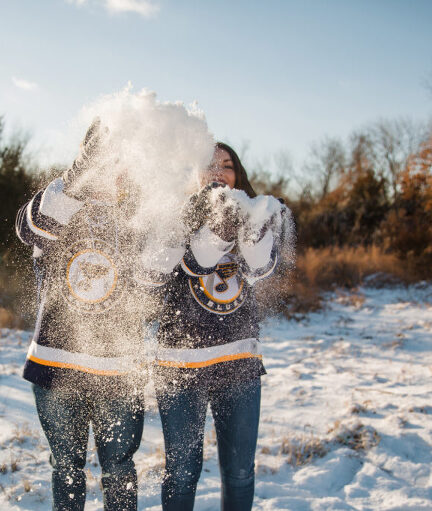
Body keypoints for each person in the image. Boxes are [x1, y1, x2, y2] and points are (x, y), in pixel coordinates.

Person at [15, 119, 156, 511]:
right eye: (102, 156)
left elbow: (154, 284)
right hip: (57, 367)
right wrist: (76, 178)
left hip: (120, 371)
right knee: (67, 470)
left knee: (120, 471)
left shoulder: (140, 219)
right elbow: (30, 229)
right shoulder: (59, 204)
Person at [153, 142, 292, 510]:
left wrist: (252, 227)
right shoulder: (173, 215)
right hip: (180, 368)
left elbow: (261, 269)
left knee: (241, 472)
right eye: (209, 165)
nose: (218, 171)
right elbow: (188, 264)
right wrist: (215, 227)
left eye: (227, 165)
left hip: (239, 365)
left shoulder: (250, 214)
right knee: (182, 473)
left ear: (238, 175)